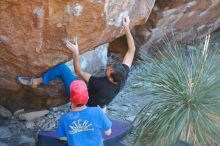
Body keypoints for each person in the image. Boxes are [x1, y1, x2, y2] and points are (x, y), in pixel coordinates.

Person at [17, 16, 136, 110]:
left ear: (110, 78)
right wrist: (126, 27)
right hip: (98, 105)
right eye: (110, 66)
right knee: (82, 83)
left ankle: (37, 81)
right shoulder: (122, 76)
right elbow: (131, 50)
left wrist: (75, 52)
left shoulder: (101, 84)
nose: (108, 67)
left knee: (62, 69)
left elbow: (79, 71)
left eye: (109, 70)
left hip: (82, 103)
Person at [56, 80, 112, 146]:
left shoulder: (65, 119)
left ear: (70, 99)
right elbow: (108, 132)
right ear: (88, 97)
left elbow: (62, 137)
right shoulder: (97, 112)